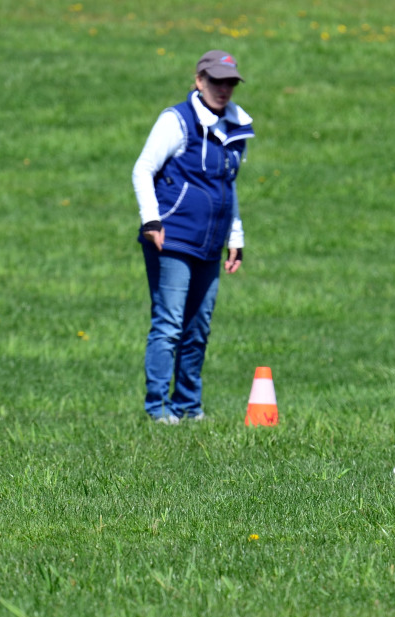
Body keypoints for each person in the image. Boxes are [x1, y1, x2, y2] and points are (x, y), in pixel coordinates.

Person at [132, 50, 254, 424]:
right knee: (169, 324)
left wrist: (235, 237)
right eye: (216, 81)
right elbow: (143, 169)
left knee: (198, 326)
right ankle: (157, 409)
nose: (224, 89)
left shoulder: (236, 125)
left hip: (210, 241)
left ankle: (188, 406)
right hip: (171, 237)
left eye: (230, 82)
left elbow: (227, 187)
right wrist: (151, 222)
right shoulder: (177, 120)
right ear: (199, 80)